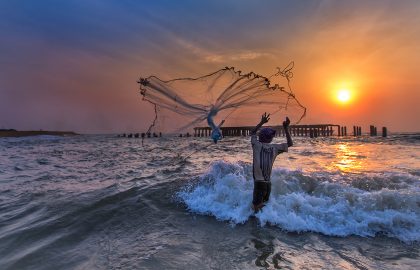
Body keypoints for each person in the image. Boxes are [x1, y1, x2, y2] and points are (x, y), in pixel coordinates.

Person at [251, 112, 293, 212]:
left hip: (259, 183)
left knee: (256, 209)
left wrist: (261, 122)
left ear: (260, 136)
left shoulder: (256, 145)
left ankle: (258, 227)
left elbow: (252, 133)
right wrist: (286, 128)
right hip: (268, 185)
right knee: (264, 209)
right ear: (270, 139)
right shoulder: (275, 148)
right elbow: (290, 143)